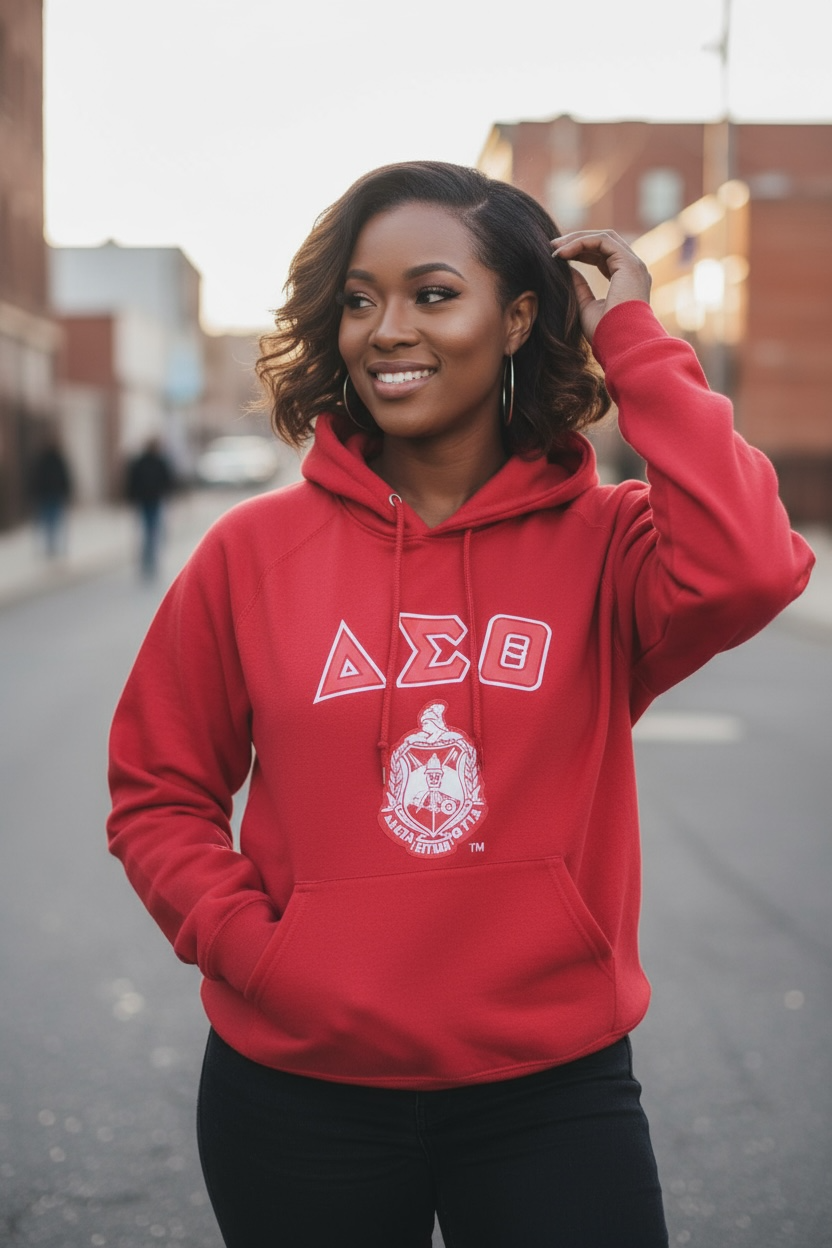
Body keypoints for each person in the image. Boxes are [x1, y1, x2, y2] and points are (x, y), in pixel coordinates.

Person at [107, 162, 813, 1248]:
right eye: (358, 299)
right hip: (298, 1095)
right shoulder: (249, 554)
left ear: (519, 315)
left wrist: (632, 344)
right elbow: (157, 792)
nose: (387, 329)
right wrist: (260, 952)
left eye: (432, 294)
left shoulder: (608, 545)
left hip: (549, 1092)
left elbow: (752, 566)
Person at [125, 437, 175, 578]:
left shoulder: (151, 462)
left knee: (150, 530)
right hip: (148, 500)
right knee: (151, 530)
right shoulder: (153, 462)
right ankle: (148, 559)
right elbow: (133, 481)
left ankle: (148, 559)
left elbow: (166, 480)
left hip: (150, 500)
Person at [29, 435, 72, 557]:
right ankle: (51, 546)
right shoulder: (55, 459)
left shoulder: (46, 459)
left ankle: (51, 546)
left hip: (50, 494)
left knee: (50, 521)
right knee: (52, 521)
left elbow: (36, 478)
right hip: (51, 494)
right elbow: (64, 476)